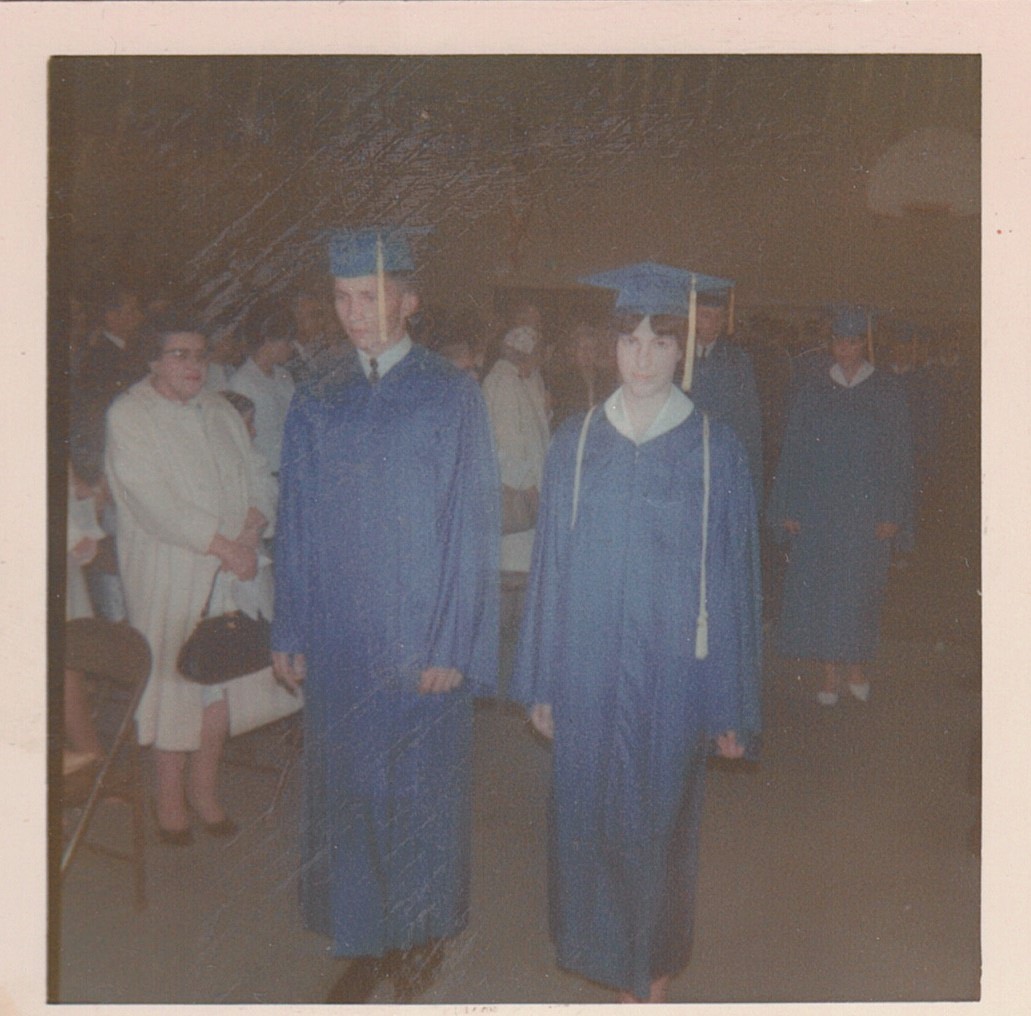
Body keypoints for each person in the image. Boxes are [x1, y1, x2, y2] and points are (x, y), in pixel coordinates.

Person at [510, 262, 762, 1004]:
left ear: (682, 349)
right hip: (586, 673)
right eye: (629, 340)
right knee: (588, 823)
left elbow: (733, 583)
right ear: (610, 346)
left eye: (659, 341)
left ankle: (647, 983)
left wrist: (730, 705)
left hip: (672, 679)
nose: (643, 357)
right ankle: (611, 968)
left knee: (660, 829)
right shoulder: (577, 441)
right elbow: (549, 568)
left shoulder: (714, 449)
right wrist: (541, 681)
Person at [271, 226, 500, 1004]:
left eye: (369, 298)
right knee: (350, 788)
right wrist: (290, 626)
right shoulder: (317, 390)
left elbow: (469, 524)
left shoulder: (449, 391)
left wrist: (453, 642)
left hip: (419, 631)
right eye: (341, 298)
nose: (354, 314)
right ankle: (363, 939)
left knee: (419, 790)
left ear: (407, 301)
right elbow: (296, 516)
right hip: (339, 631)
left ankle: (419, 935)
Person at [105, 311, 277, 844]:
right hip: (171, 570)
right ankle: (170, 799)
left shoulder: (220, 410)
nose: (193, 365)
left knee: (219, 682)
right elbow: (153, 501)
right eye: (179, 354)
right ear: (152, 360)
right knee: (175, 685)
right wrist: (223, 546)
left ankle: (205, 790)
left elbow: (257, 473)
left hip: (231, 567)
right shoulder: (130, 415)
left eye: (200, 355)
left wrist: (250, 528)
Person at [767, 305, 915, 705]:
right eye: (838, 341)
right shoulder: (813, 389)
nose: (845, 349)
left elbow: (899, 456)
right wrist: (789, 506)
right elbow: (794, 451)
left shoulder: (886, 390)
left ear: (865, 344)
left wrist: (892, 511)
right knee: (823, 590)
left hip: (866, 511)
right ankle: (830, 675)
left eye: (852, 341)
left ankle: (856, 667)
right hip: (820, 508)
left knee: (860, 590)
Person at [481, 323, 551, 678]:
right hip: (517, 500)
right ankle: (502, 677)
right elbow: (506, 448)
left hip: (527, 499)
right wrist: (529, 486)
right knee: (509, 592)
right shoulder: (505, 385)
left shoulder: (521, 380)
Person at [687, 281, 764, 499]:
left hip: (722, 461)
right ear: (692, 317)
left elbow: (749, 423)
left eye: (718, 317)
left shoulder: (738, 361)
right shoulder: (677, 358)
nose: (713, 324)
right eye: (705, 315)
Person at [227, 296, 296, 476]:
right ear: (268, 340)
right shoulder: (241, 382)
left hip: (290, 466)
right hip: (265, 471)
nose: (292, 347)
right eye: (287, 341)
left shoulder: (284, 376)